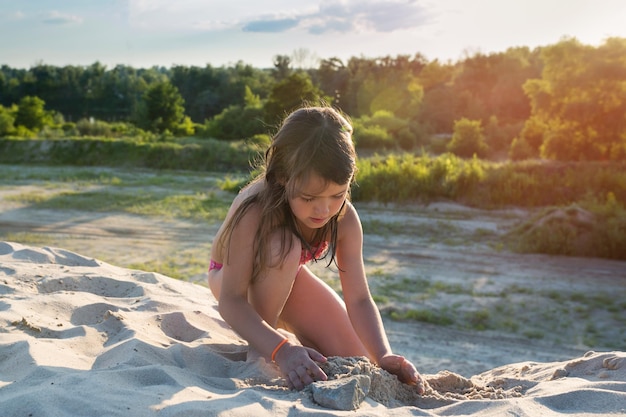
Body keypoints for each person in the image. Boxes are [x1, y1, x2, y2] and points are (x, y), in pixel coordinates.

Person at [208, 105, 424, 393]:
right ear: (283, 176)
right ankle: (260, 348)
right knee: (283, 248)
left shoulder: (344, 218)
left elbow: (359, 299)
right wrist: (281, 351)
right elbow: (231, 301)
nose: (324, 209)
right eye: (309, 197)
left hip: (285, 276)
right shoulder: (254, 210)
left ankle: (286, 343)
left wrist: (384, 354)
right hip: (232, 278)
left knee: (359, 358)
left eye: (337, 194)